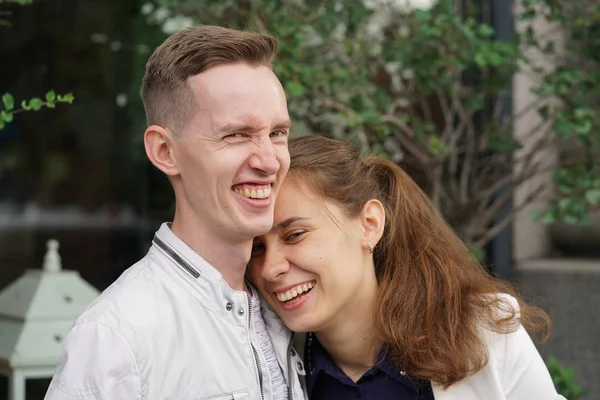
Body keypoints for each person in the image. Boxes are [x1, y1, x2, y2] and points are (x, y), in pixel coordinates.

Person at [45, 25, 306, 400]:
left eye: (278, 133)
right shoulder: (116, 338)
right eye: (236, 134)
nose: (269, 161)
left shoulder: (292, 305)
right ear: (165, 151)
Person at [248, 135, 565, 400]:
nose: (269, 268)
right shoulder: (257, 360)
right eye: (256, 247)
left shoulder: (482, 331)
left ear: (369, 225)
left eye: (295, 235)